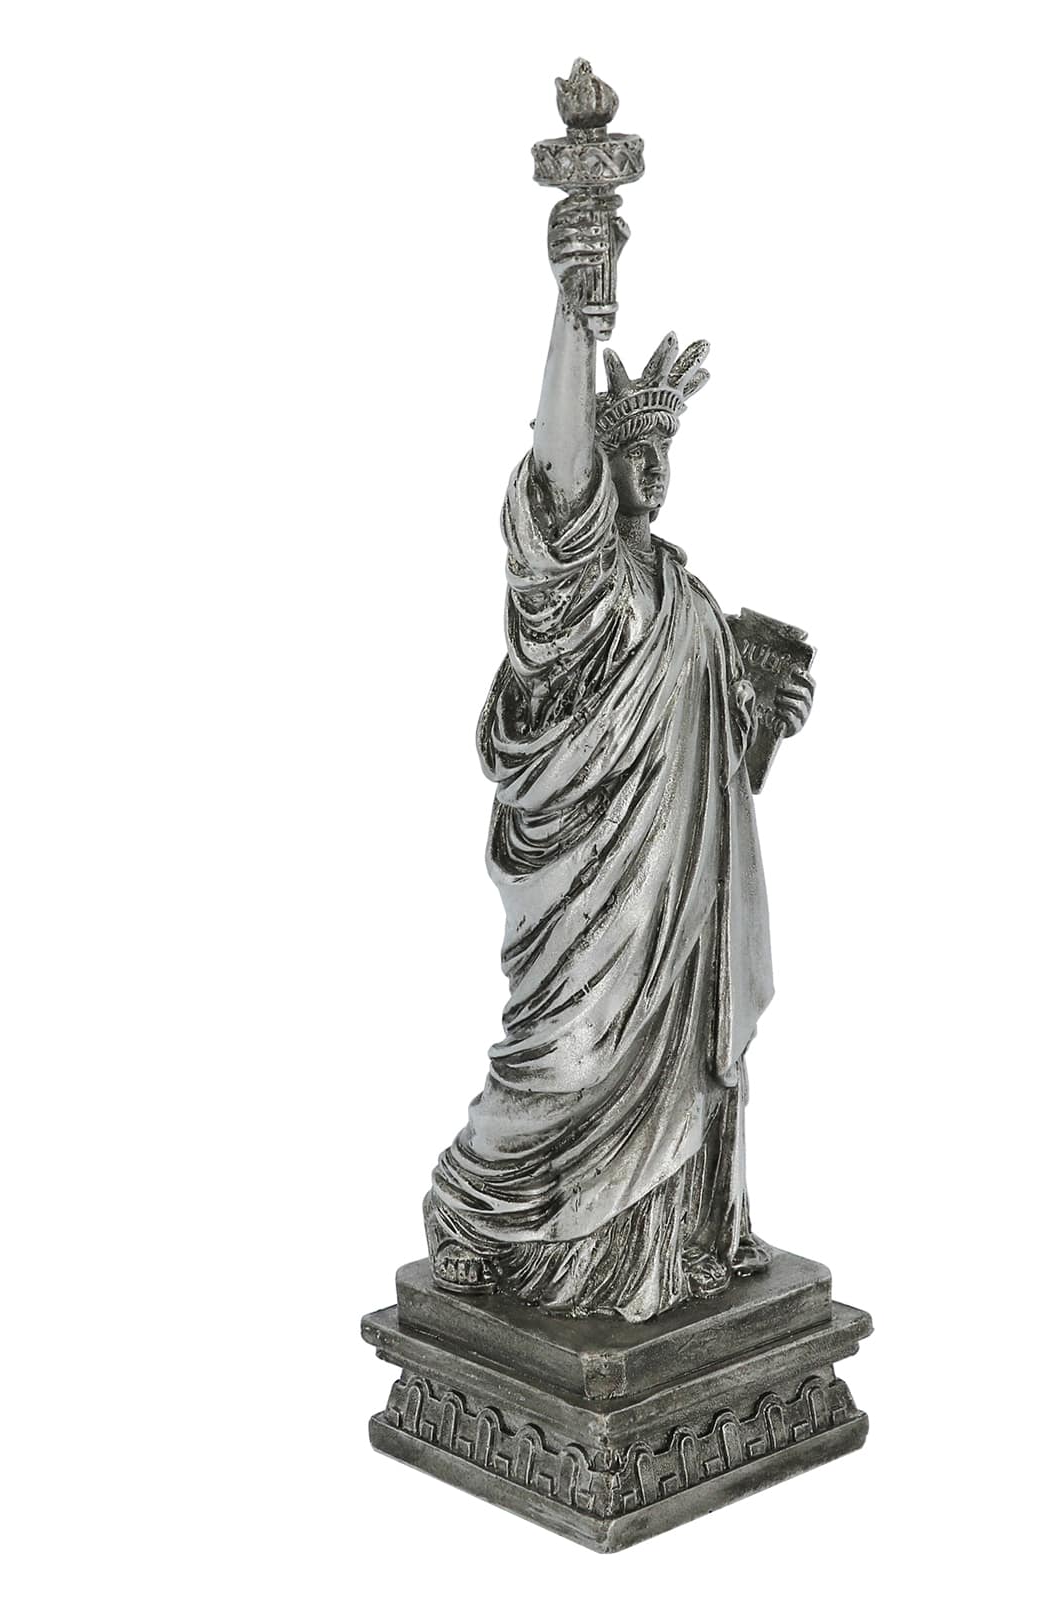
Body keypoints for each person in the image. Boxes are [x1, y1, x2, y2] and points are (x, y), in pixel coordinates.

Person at [422, 196, 815, 1321]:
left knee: (676, 1061)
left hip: (676, 903)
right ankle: (491, 1213)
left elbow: (717, 776)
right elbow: (555, 460)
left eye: (662, 452)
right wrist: (574, 309)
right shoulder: (577, 577)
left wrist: (765, 719)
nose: (651, 471)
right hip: (587, 895)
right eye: (629, 452)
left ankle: (666, 1249)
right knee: (573, 1055)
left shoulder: (690, 599)